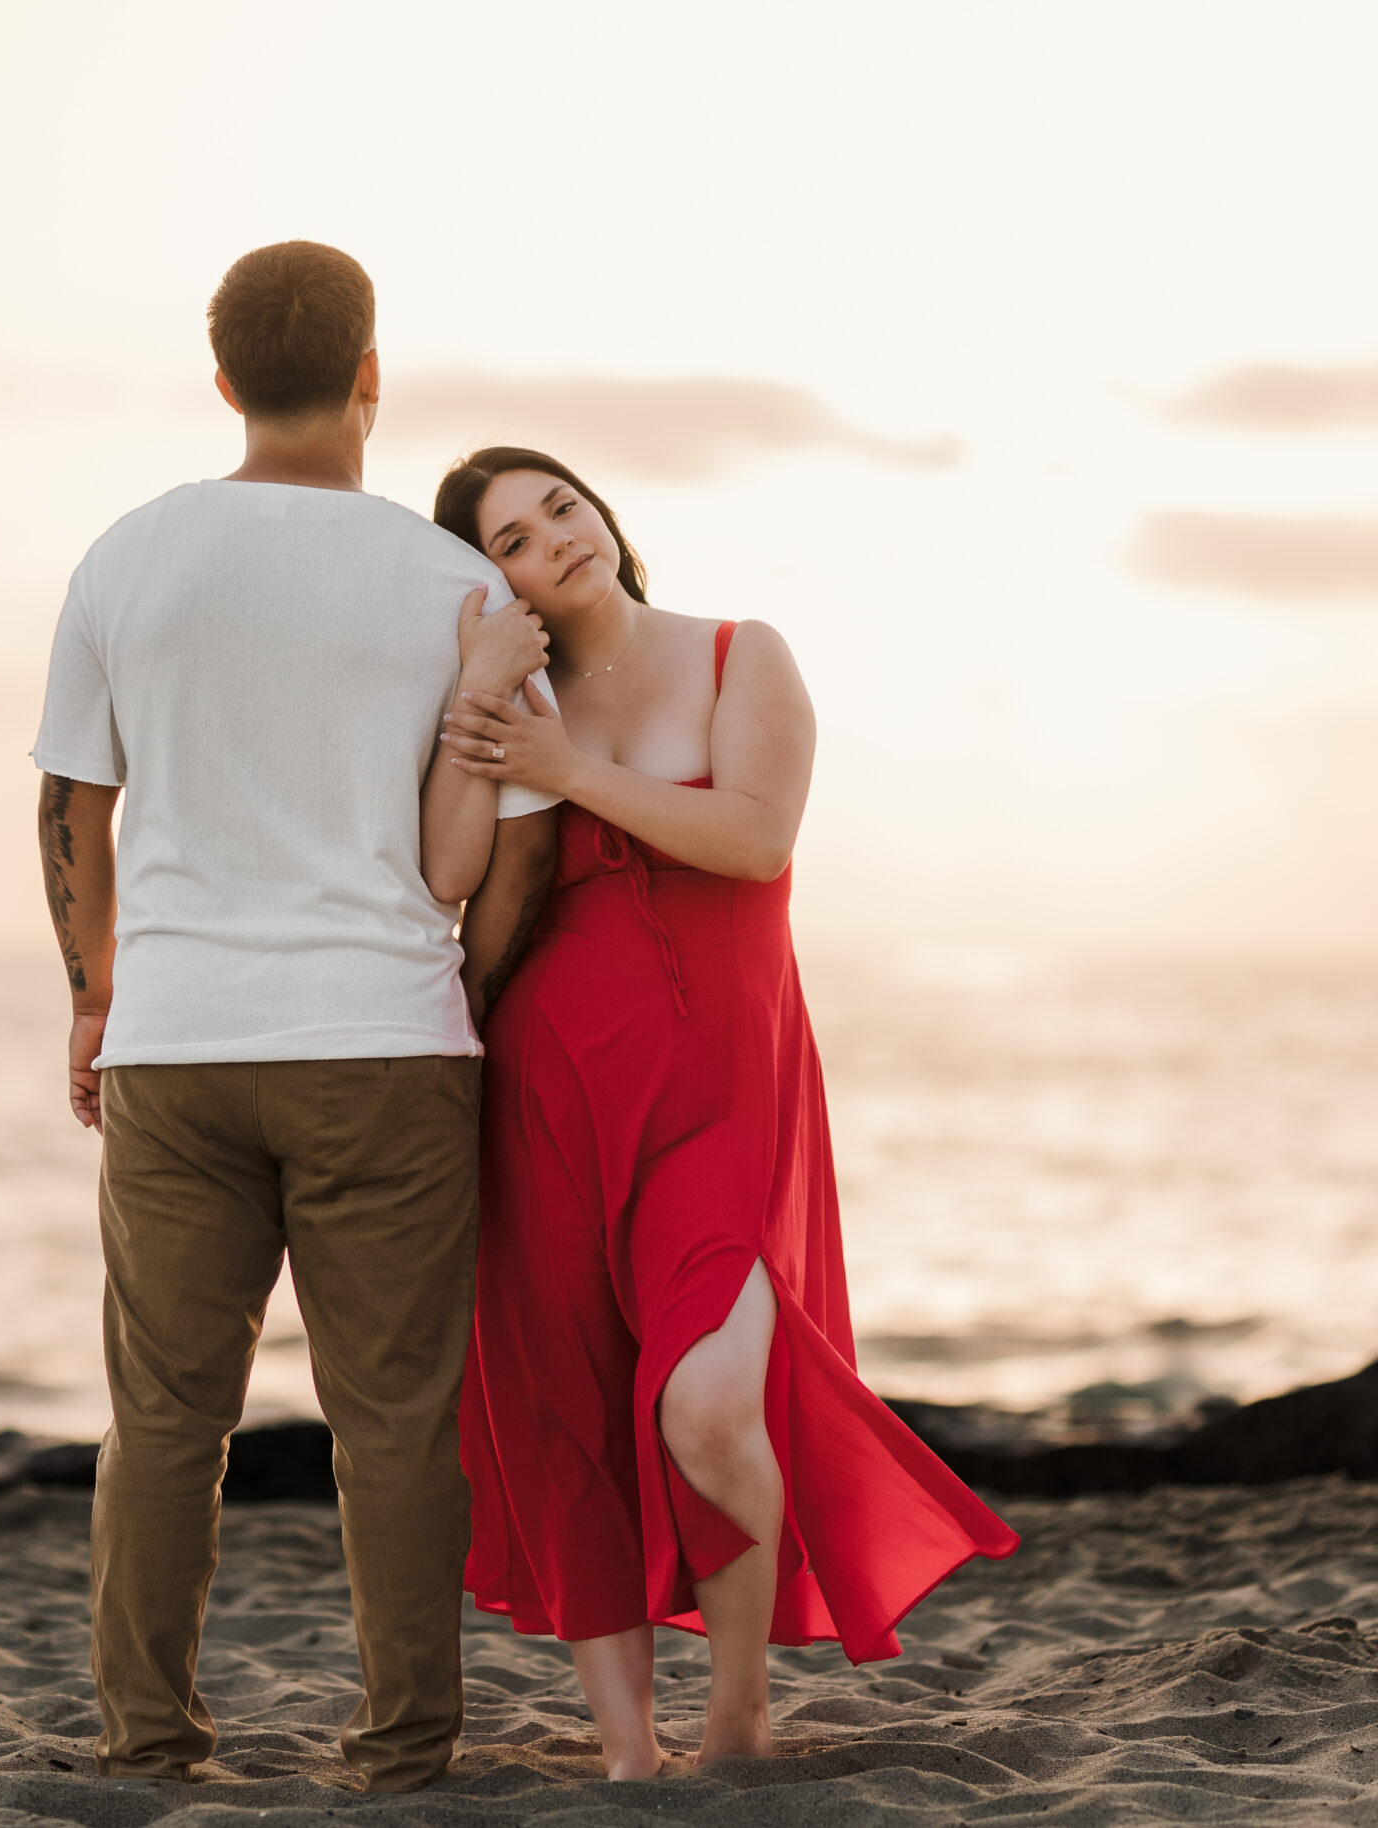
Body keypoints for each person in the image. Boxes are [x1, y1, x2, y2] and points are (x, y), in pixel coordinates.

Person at [30, 245, 557, 1792]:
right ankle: (403, 1750)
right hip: (385, 1042)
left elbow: (74, 807)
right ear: (372, 373)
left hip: (180, 1044)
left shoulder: (126, 559)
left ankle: (148, 1741)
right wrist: (457, 999)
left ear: (222, 384)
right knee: (394, 1420)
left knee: (163, 1421)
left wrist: (92, 998)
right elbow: (513, 846)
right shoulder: (455, 583)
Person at [425, 447, 1021, 1780]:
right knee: (571, 1412)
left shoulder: (743, 656)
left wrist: (564, 768)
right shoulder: (510, 702)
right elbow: (462, 884)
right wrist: (487, 714)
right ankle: (631, 1753)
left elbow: (754, 837)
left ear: (604, 513)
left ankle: (739, 1707)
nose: (552, 540)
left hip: (721, 1103)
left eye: (560, 506)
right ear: (492, 579)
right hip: (551, 1096)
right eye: (512, 538)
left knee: (705, 1406)